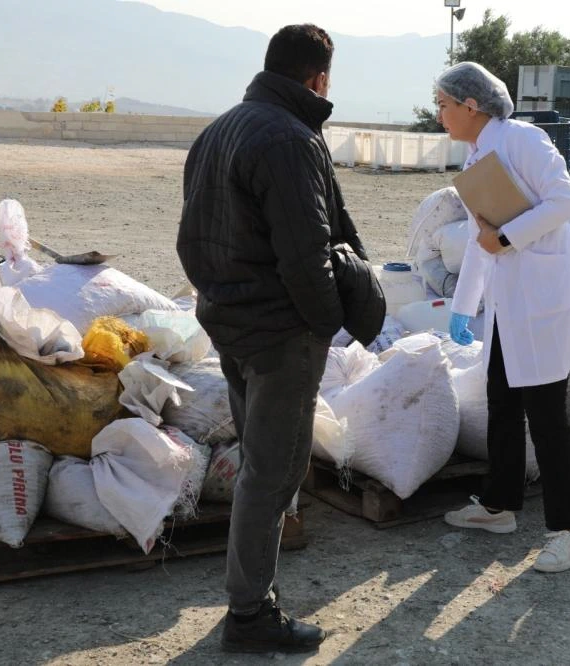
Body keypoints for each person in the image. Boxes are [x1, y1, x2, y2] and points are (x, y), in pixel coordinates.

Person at [177, 24, 383, 653]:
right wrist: (323, 325)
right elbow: (306, 257)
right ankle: (249, 615)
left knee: (260, 466)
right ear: (317, 78)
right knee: (274, 471)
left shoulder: (220, 129)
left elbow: (194, 238)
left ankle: (247, 601)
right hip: (278, 333)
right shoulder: (291, 140)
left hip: (231, 323)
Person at [438, 62, 570, 573]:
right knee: (503, 404)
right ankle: (500, 505)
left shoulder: (524, 140)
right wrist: (464, 307)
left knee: (547, 416)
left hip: (543, 301)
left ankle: (567, 530)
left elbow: (563, 204)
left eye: (443, 104)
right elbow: (478, 239)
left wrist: (507, 238)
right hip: (511, 306)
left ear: (472, 105)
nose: (438, 113)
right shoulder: (476, 154)